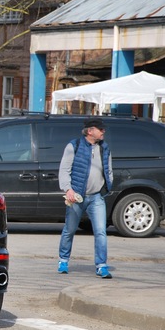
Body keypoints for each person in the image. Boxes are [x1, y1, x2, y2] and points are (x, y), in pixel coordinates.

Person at [57, 118, 114, 278]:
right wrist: (68, 190)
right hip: (76, 197)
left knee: (101, 231)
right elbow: (64, 170)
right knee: (70, 229)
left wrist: (107, 185)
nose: (103, 131)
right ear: (90, 131)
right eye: (100, 129)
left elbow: (108, 169)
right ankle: (63, 260)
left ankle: (101, 265)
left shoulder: (104, 148)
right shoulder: (73, 146)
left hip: (96, 197)